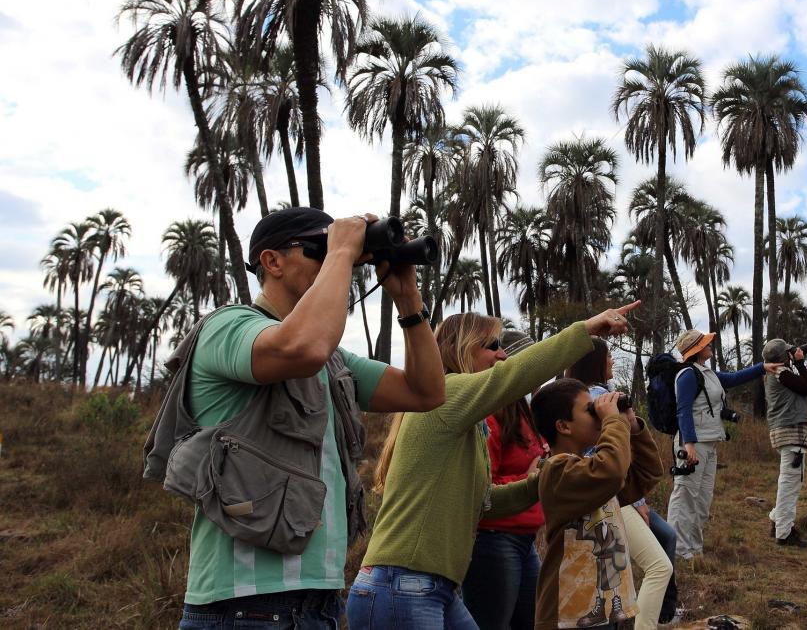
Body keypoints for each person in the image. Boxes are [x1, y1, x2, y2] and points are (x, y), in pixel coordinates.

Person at [144, 207, 448, 630]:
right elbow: (301, 348)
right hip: (243, 605)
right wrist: (343, 250)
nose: (332, 261)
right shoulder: (228, 327)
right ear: (271, 262)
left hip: (318, 601)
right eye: (318, 250)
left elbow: (427, 391)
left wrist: (408, 301)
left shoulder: (332, 361)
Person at [347, 301, 640, 629]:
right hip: (403, 586)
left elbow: (484, 503)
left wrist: (538, 482)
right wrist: (584, 331)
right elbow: (515, 374)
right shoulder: (449, 393)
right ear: (461, 351)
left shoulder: (466, 425)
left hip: (429, 588)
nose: (503, 355)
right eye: (493, 346)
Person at [529, 379, 664, 630]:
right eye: (590, 410)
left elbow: (648, 473)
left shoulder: (589, 470)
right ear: (563, 426)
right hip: (569, 614)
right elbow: (610, 471)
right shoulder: (557, 470)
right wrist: (613, 421)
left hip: (603, 611)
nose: (599, 413)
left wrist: (633, 427)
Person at [566, 338, 675, 629]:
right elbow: (610, 457)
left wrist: (633, 422)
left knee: (618, 576)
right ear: (595, 361)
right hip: (610, 498)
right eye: (608, 356)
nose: (613, 361)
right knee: (658, 566)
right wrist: (637, 502)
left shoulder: (587, 395)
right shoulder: (598, 395)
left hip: (611, 497)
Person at [666, 329, 781, 561]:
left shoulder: (707, 373)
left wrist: (762, 367)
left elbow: (735, 378)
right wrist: (689, 444)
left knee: (702, 499)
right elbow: (683, 411)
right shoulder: (687, 375)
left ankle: (693, 550)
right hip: (693, 445)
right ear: (697, 349)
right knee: (686, 495)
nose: (711, 345)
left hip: (709, 443)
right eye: (706, 343)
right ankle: (678, 552)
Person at [462, 330, 547, 630]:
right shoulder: (491, 415)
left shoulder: (520, 408)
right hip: (495, 540)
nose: (542, 368)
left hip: (523, 539)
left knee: (531, 621)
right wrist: (530, 477)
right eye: (534, 361)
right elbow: (481, 486)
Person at [762, 339, 807, 547]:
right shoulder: (781, 373)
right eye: (788, 353)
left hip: (789, 432)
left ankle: (777, 521)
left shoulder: (779, 373)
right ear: (782, 357)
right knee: (789, 483)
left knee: (791, 481)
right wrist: (800, 363)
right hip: (790, 431)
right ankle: (784, 533)